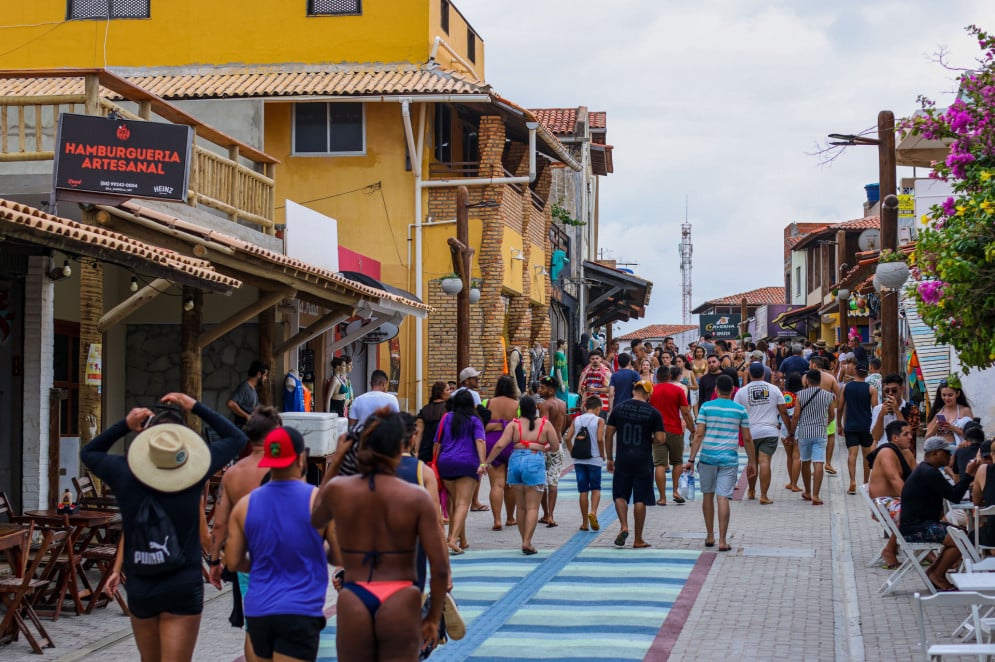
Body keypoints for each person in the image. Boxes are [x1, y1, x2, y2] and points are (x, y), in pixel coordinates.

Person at [81, 392, 246, 661]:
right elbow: (236, 438)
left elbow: (89, 452)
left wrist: (125, 424)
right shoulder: (195, 471)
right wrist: (195, 406)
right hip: (183, 582)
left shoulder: (125, 472)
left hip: (141, 582)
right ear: (183, 444)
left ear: (145, 441)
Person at [311, 408, 450, 660]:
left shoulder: (340, 489)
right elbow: (439, 568)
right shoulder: (416, 497)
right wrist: (432, 617)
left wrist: (337, 462)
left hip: (355, 595)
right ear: (404, 444)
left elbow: (315, 520)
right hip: (400, 596)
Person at [225, 426, 334, 662]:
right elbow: (341, 556)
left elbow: (232, 562)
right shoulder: (318, 502)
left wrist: (262, 563)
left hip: (259, 610)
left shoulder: (245, 505)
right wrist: (316, 551)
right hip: (300, 609)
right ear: (301, 458)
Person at [208, 406, 282, 656]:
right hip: (283, 554)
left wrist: (214, 560)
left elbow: (219, 523)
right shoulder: (285, 468)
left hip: (245, 556)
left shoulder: (233, 473)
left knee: (253, 626)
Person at [480, 395, 561, 554]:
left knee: (521, 506)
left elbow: (500, 445)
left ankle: (524, 539)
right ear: (535, 409)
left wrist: (486, 462)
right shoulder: (544, 424)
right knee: (532, 507)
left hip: (515, 461)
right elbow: (556, 445)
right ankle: (527, 541)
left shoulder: (514, 424)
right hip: (534, 460)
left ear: (520, 409)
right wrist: (543, 449)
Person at [684, 375, 755, 552]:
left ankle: (709, 536)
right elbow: (747, 438)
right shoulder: (740, 410)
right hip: (729, 459)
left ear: (716, 390)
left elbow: (699, 434)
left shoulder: (706, 407)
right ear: (732, 391)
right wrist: (752, 461)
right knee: (723, 497)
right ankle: (723, 540)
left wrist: (691, 459)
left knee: (708, 495)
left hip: (707, 456)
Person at [900, 436, 979, 591]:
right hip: (916, 528)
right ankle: (938, 574)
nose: (950, 457)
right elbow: (955, 497)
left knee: (962, 533)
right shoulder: (930, 473)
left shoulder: (926, 470)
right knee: (961, 539)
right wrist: (969, 475)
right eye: (947, 453)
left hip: (920, 524)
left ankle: (935, 572)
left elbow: (952, 493)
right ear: (935, 453)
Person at [606, 380, 664, 549]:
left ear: (634, 391)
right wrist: (649, 439)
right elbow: (661, 439)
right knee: (640, 498)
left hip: (623, 457)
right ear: (648, 394)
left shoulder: (619, 408)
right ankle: (638, 539)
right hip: (643, 459)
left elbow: (608, 435)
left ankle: (624, 525)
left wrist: (609, 457)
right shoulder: (653, 413)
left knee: (620, 495)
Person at [435, 389, 486, 555]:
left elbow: (438, 442)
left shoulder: (446, 418)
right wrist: (483, 462)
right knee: (463, 503)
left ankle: (462, 540)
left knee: (456, 502)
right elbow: (479, 440)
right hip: (467, 463)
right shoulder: (475, 420)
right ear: (472, 404)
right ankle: (452, 538)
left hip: (446, 463)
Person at [735, 363, 792, 505]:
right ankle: (764, 495)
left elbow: (736, 414)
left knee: (752, 461)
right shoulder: (774, 390)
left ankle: (751, 491)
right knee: (764, 461)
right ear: (764, 374)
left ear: (749, 374)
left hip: (750, 432)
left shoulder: (741, 392)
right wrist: (790, 430)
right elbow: (783, 411)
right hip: (769, 431)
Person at [867, 420, 916, 569]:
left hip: (898, 500)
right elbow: (894, 479)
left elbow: (917, 476)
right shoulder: (886, 452)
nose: (911, 437)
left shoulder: (906, 453)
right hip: (883, 502)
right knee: (913, 512)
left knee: (936, 508)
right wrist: (914, 502)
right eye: (906, 434)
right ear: (895, 438)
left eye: (911, 434)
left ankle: (923, 549)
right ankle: (889, 549)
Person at [649, 366, 696, 506]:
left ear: (657, 377)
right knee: (677, 462)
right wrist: (692, 429)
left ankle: (662, 497)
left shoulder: (652, 390)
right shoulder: (678, 390)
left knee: (659, 464)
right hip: (675, 430)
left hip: (657, 432)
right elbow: (686, 412)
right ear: (669, 376)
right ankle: (675, 491)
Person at [792, 369, 837, 505]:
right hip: (820, 433)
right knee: (819, 462)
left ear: (807, 381)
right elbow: (832, 414)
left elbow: (796, 416)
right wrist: (827, 421)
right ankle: (816, 495)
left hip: (804, 433)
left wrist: (791, 431)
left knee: (805, 461)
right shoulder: (828, 396)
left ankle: (807, 491)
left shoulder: (800, 395)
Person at [564, 396, 606, 532]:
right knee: (596, 489)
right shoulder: (599, 420)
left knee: (583, 491)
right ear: (598, 408)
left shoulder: (577, 419)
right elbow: (600, 439)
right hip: (594, 459)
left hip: (579, 460)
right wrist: (602, 454)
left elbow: (568, 438)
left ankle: (584, 523)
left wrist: (572, 452)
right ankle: (593, 512)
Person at [484, 376, 521, 530]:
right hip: (511, 443)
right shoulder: (517, 405)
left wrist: (496, 425)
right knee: (510, 484)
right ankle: (511, 518)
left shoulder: (487, 403)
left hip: (492, 444)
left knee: (496, 484)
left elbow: (481, 425)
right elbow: (520, 425)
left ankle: (497, 520)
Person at [838, 362, 878, 495]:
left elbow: (840, 407)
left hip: (851, 425)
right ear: (867, 373)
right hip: (866, 426)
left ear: (855, 372)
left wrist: (839, 424)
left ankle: (852, 481)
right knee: (867, 456)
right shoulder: (871, 389)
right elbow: (876, 409)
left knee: (852, 455)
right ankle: (866, 483)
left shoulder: (846, 387)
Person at [538, 377, 569, 528]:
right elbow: (565, 423)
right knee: (553, 481)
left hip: (546, 446)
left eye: (542, 388)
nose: (539, 390)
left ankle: (545, 514)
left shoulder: (545, 405)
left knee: (543, 482)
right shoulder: (563, 404)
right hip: (558, 445)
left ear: (551, 390)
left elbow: (544, 427)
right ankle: (551, 514)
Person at [870, 373, 922, 451]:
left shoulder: (912, 409)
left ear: (902, 389)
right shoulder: (878, 409)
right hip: (883, 451)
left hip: (904, 453)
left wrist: (897, 410)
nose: (890, 393)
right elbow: (876, 437)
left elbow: (909, 432)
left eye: (894, 390)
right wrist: (881, 415)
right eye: (887, 391)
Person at [925, 379, 975, 448]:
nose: (947, 398)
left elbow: (974, 436)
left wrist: (953, 428)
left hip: (958, 449)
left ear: (957, 394)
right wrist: (936, 427)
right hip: (940, 450)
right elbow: (927, 436)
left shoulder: (965, 411)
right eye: (944, 395)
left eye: (950, 395)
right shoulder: (938, 411)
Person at [416, 381, 450, 463]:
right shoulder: (449, 408)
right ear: (441, 393)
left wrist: (416, 451)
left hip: (425, 450)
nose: (450, 392)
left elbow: (419, 432)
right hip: (442, 450)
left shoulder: (425, 409)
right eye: (448, 390)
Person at [227, 360, 269, 429]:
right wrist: (247, 416)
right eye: (265, 375)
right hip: (242, 430)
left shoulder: (252, 388)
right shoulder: (245, 387)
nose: (265, 378)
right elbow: (230, 403)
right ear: (259, 374)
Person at [781, 373, 804, 493]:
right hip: (799, 427)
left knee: (789, 456)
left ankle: (791, 482)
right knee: (797, 457)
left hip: (784, 428)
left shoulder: (783, 395)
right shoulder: (802, 395)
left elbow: (779, 412)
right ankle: (795, 484)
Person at [971, 440, 995, 547]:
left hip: (992, 536)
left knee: (970, 537)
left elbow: (976, 501)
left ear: (992, 454)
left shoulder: (983, 470)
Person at [578, 349, 612, 418]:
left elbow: (609, 389)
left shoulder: (606, 372)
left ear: (601, 359)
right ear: (589, 360)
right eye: (592, 359)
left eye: (597, 358)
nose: (595, 360)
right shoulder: (586, 371)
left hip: (601, 406)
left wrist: (595, 389)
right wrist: (584, 388)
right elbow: (582, 387)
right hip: (588, 406)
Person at [552, 339, 569, 404]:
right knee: (562, 401)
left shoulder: (562, 354)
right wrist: (561, 384)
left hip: (565, 381)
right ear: (561, 345)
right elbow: (558, 370)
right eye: (565, 344)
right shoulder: (558, 355)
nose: (566, 345)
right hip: (560, 382)